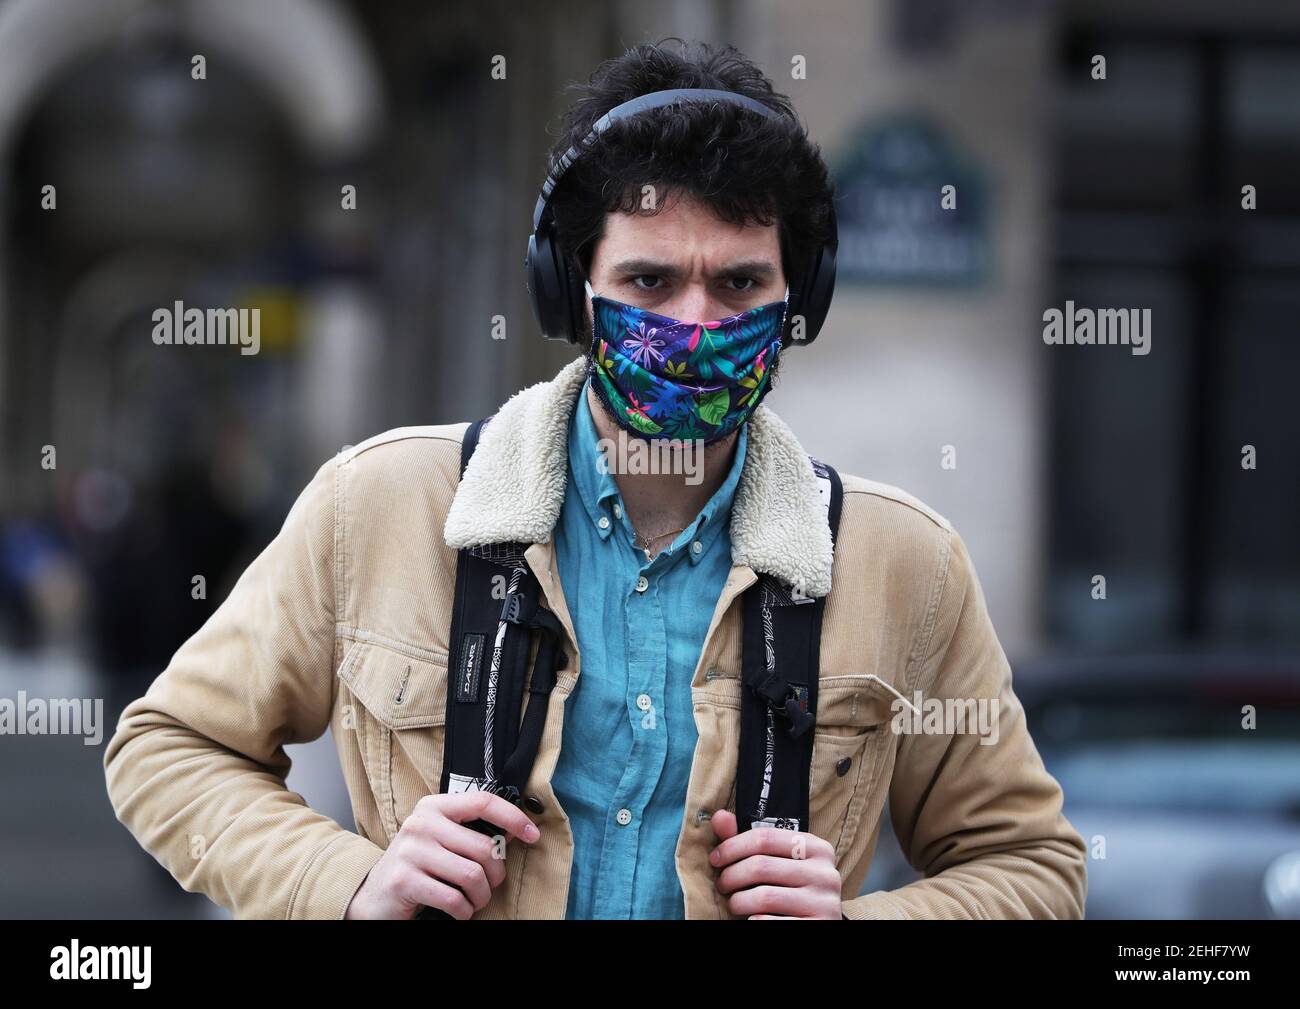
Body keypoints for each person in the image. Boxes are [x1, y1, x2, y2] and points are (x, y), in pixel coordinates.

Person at [104, 39, 1087, 920]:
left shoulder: (901, 560)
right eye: (650, 282)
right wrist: (345, 883)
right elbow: (166, 748)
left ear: (800, 299)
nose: (696, 324)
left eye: (740, 284)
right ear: (569, 288)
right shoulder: (382, 503)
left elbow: (1032, 866)